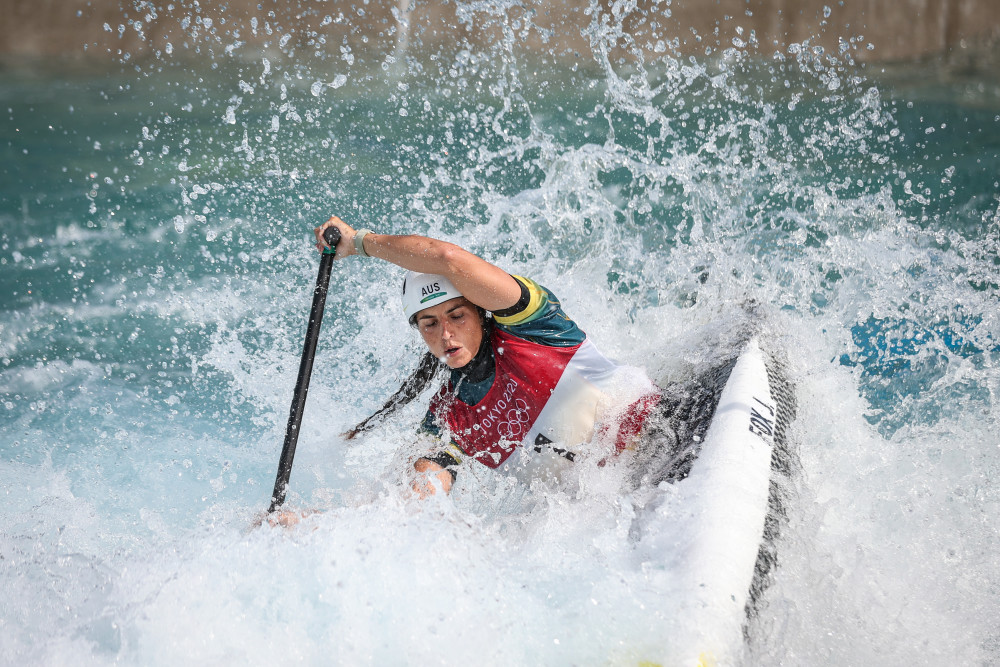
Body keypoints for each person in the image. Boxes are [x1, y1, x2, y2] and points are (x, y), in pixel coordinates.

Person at [314, 215, 661, 499]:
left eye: (457, 316)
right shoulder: (449, 414)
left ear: (480, 311)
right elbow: (420, 494)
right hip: (614, 503)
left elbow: (448, 259)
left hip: (669, 435)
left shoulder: (533, 326)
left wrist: (359, 242)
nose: (446, 334)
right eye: (430, 324)